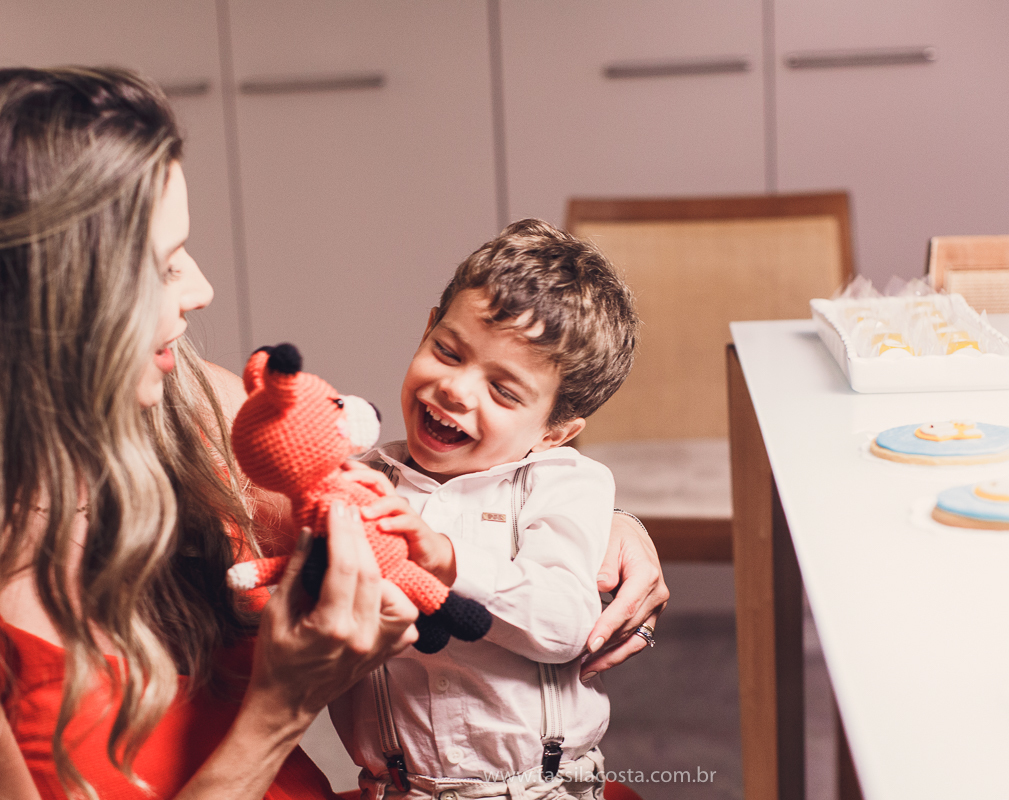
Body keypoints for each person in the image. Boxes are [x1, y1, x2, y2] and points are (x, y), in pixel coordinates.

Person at [0, 68, 666, 798]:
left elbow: (371, 502)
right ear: (53, 298)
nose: (199, 290)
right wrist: (279, 711)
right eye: (162, 266)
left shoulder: (182, 405)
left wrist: (595, 520)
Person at [330, 220, 639, 799]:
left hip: (539, 791)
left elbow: (564, 622)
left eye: (504, 390)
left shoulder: (564, 483)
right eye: (447, 351)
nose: (457, 390)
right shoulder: (361, 480)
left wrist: (448, 560)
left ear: (554, 431)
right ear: (426, 329)